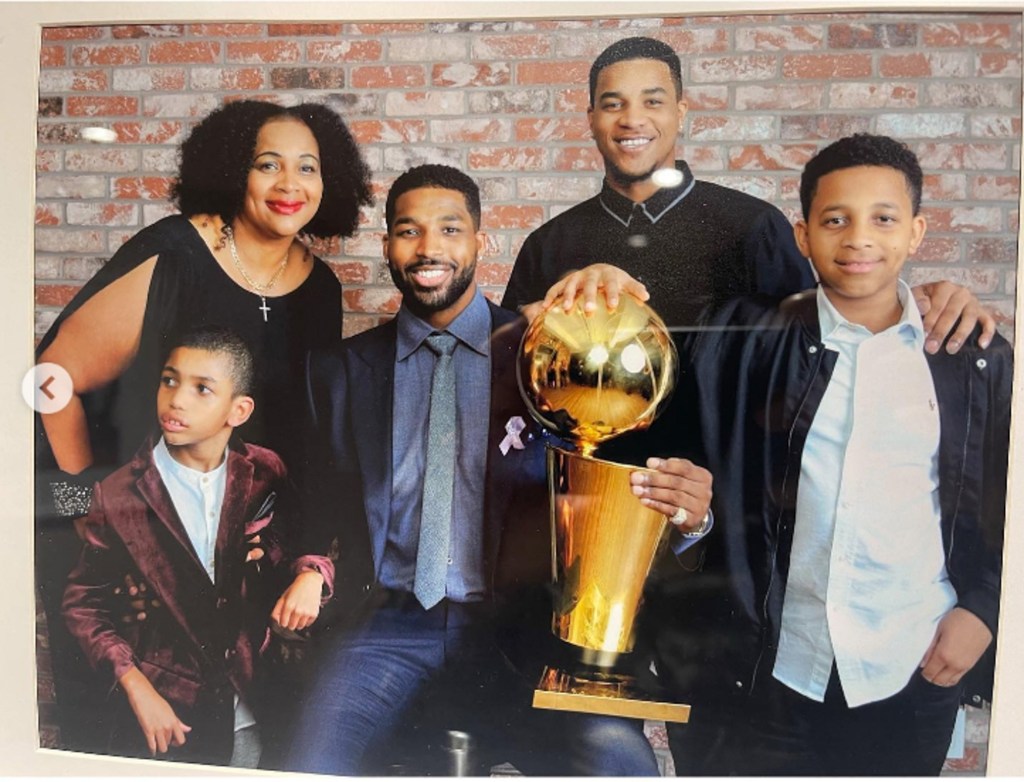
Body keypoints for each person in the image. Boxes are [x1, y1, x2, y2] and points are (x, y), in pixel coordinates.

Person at [268, 164, 713, 775]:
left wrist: (692, 518)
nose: (429, 248)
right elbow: (313, 503)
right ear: (387, 246)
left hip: (524, 630)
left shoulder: (552, 353)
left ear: (483, 241)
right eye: (408, 231)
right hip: (386, 627)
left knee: (621, 763)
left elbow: (622, 488)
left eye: (451, 229)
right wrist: (310, 565)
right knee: (307, 764)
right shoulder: (340, 373)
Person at [35, 98, 372, 753]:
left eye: (308, 168)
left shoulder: (321, 289)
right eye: (267, 165)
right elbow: (53, 378)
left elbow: (298, 440)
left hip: (233, 550)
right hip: (135, 541)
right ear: (232, 171)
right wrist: (82, 501)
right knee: (130, 738)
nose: (289, 184)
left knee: (241, 736)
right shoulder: (176, 254)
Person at [675, 133, 1009, 775]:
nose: (858, 238)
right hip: (778, 667)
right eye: (835, 220)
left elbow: (1006, 509)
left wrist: (983, 610)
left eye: (883, 219)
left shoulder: (972, 358)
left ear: (915, 233)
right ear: (803, 237)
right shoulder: (744, 345)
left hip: (911, 662)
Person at [61, 326, 295, 767]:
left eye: (201, 388)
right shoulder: (118, 494)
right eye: (169, 380)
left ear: (238, 410)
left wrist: (306, 572)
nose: (177, 399)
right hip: (167, 709)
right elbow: (82, 604)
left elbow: (291, 538)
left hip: (251, 698)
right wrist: (135, 685)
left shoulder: (265, 470)